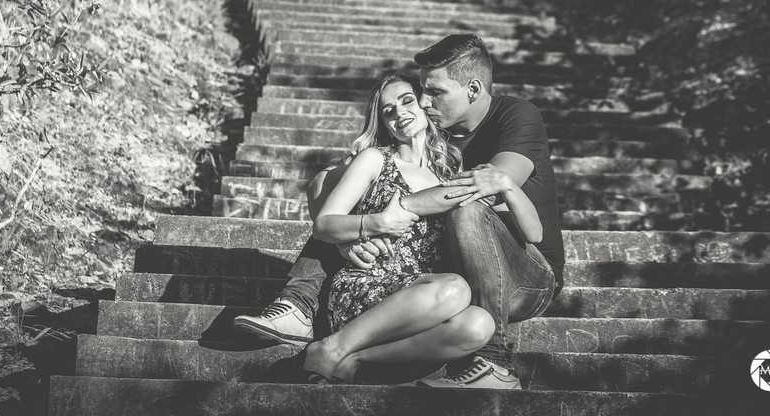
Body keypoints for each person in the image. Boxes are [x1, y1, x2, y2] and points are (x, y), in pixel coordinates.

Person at [234, 34, 564, 389]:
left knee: (465, 211)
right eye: (420, 92)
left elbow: (481, 192)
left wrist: (400, 209)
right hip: (443, 281)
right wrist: (353, 235)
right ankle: (300, 303)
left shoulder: (515, 116)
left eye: (433, 93)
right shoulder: (438, 139)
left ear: (472, 89)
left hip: (526, 275)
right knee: (470, 314)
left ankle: (495, 363)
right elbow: (322, 183)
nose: (423, 102)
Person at [298, 73, 543, 383]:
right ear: (383, 123)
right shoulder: (375, 160)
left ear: (425, 105)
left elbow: (534, 234)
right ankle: (332, 346)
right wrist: (376, 223)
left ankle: (356, 359)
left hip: (425, 305)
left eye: (406, 101)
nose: (399, 114)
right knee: (455, 289)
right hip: (367, 288)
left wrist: (507, 184)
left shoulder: (452, 175)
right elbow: (324, 224)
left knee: (480, 324)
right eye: (388, 111)